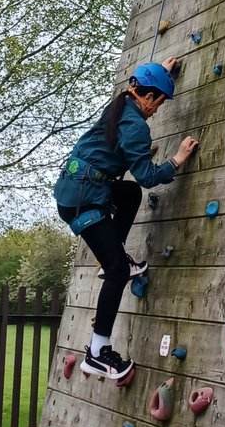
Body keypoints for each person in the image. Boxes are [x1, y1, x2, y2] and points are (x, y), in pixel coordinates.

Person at [54, 58, 198, 380]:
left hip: (78, 190)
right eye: (158, 102)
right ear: (146, 97)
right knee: (119, 272)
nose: (156, 110)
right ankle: (97, 352)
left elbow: (136, 187)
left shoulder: (119, 106)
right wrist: (177, 160)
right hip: (84, 201)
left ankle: (112, 258)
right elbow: (147, 176)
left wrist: (159, 73)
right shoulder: (135, 127)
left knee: (129, 194)